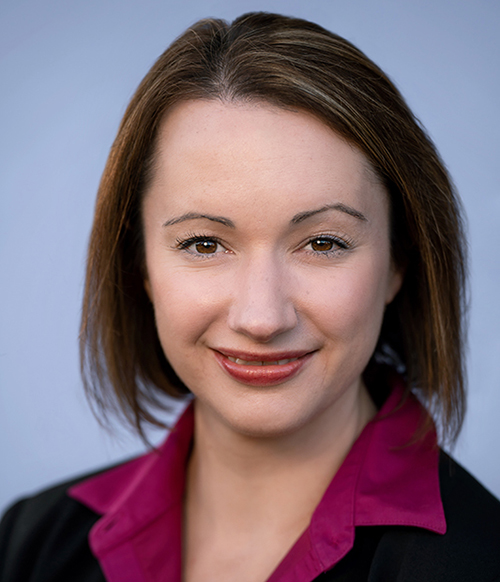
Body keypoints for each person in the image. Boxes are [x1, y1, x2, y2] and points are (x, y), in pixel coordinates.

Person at [1, 11, 499, 582]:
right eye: (205, 243)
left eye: (322, 242)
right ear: (139, 264)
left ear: (398, 263)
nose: (262, 317)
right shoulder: (29, 546)